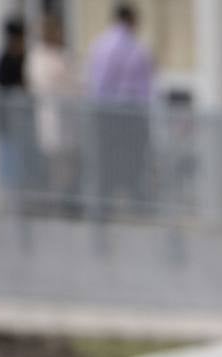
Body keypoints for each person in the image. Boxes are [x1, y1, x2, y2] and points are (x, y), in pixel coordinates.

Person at [85, 3, 156, 212]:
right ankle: (134, 202)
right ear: (130, 20)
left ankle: (105, 203)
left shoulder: (100, 45)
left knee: (107, 158)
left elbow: (97, 82)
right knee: (133, 159)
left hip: (105, 111)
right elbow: (146, 86)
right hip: (130, 112)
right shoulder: (136, 48)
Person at [27, 12, 80, 207]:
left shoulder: (62, 54)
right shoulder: (39, 56)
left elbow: (75, 83)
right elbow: (46, 83)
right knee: (56, 162)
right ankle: (59, 200)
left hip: (69, 118)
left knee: (69, 161)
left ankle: (67, 198)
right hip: (53, 117)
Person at [0, 16, 35, 204]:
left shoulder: (23, 57)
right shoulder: (5, 60)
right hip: (7, 121)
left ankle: (21, 192)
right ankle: (10, 195)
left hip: (21, 121)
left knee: (22, 158)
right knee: (9, 157)